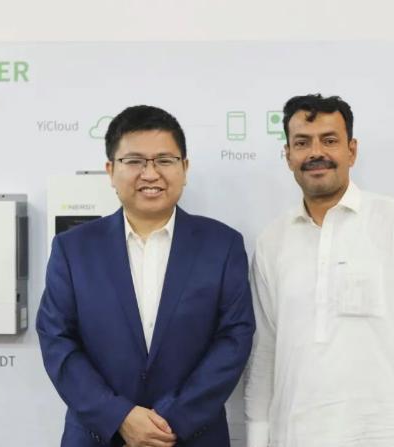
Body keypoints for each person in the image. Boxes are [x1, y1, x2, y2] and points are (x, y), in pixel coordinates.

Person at [37, 105, 255, 447]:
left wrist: (172, 419)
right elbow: (57, 340)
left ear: (185, 168)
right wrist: (119, 417)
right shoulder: (73, 249)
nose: (150, 174)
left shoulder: (222, 245)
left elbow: (234, 339)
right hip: (99, 436)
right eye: (135, 161)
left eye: (164, 160)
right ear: (111, 171)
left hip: (192, 435)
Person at [244, 94, 394, 447]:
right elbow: (265, 351)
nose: (316, 153)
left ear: (351, 151)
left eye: (329, 140)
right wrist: (257, 438)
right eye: (302, 143)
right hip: (293, 436)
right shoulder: (272, 240)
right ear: (288, 155)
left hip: (386, 435)